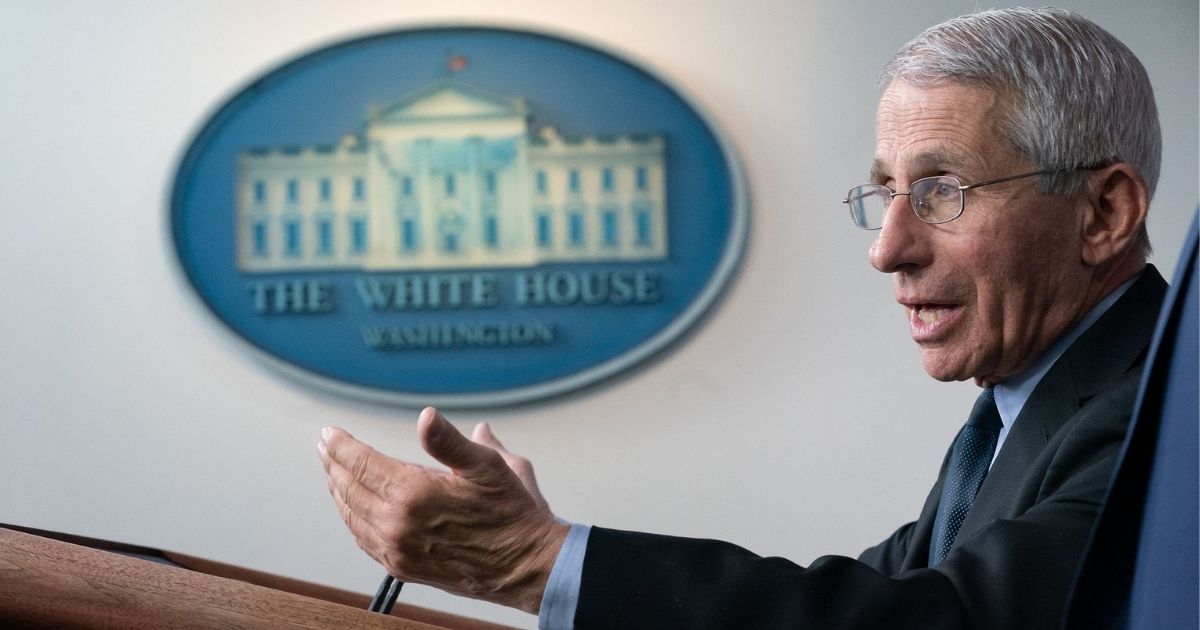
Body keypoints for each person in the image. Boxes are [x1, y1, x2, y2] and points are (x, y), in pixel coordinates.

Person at [317, 7, 1166, 629]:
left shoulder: (1167, 414)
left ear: (1102, 213)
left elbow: (935, 625)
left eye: (943, 190)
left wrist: (542, 562)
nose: (888, 249)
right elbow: (871, 604)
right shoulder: (1020, 410)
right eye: (886, 191)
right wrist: (545, 556)